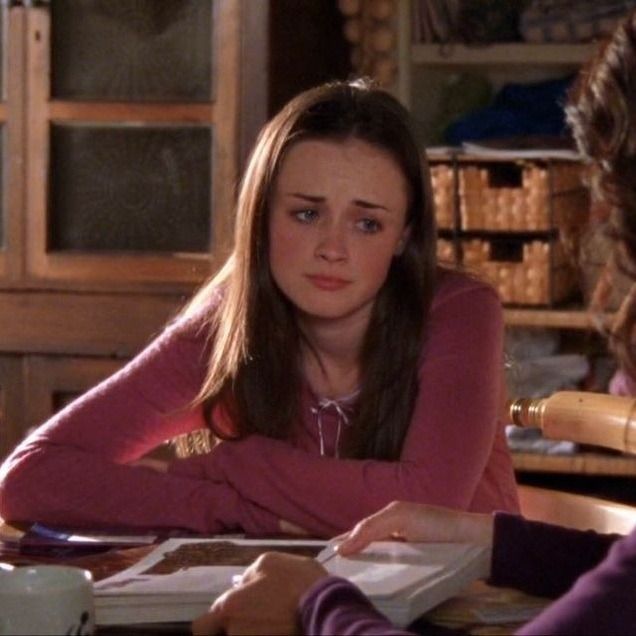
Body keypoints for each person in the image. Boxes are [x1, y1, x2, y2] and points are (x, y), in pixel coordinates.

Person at [190, 9, 636, 636]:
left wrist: (316, 604)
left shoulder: (459, 310)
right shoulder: (234, 314)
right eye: (306, 213)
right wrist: (497, 543)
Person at [0, 79, 519, 538]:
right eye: (307, 213)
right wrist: (228, 507)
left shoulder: (460, 311)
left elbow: (428, 503)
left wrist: (237, 465)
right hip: (290, 604)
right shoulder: (227, 323)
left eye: (367, 224)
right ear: (262, 218)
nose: (332, 248)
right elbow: (28, 480)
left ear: (404, 236)